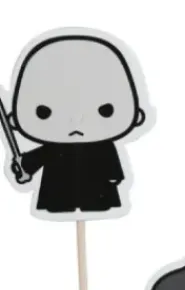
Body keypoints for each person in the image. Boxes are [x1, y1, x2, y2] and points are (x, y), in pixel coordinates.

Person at [6, 33, 148, 214]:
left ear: (137, 116)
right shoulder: (55, 147)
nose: (75, 121)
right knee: (63, 203)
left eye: (105, 110)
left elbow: (110, 163)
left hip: (95, 193)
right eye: (44, 112)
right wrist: (24, 167)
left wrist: (114, 176)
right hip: (60, 193)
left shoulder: (100, 146)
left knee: (94, 202)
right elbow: (36, 160)